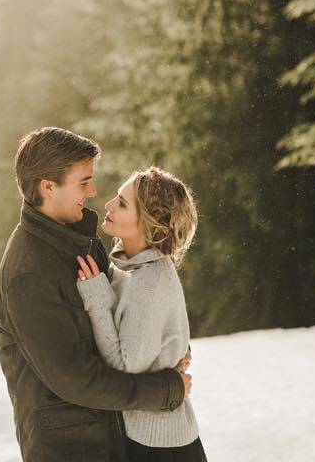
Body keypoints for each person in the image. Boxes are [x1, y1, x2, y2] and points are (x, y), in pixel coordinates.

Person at [0, 127, 191, 462]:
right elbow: (74, 378)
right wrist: (165, 389)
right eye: (83, 181)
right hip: (69, 448)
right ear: (48, 186)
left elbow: (122, 317)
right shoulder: (28, 272)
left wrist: (165, 344)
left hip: (107, 435)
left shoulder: (76, 241)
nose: (94, 190)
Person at [76, 166, 208, 462]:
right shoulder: (131, 269)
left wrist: (96, 298)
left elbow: (125, 367)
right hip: (145, 438)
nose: (109, 205)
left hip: (158, 447)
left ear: (151, 224)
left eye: (122, 203)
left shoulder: (150, 280)